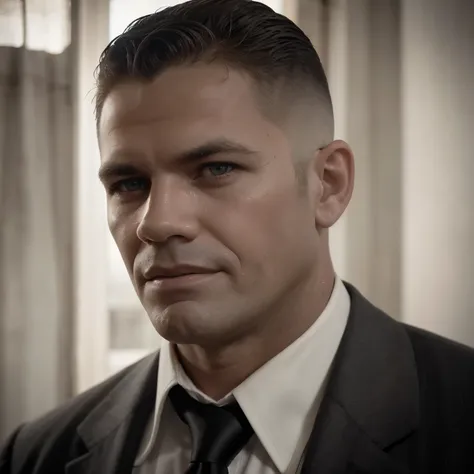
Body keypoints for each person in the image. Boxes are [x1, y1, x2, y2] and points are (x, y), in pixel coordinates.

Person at [2, 0, 474, 473]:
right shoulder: (37, 455)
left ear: (327, 184)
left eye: (215, 169)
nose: (156, 222)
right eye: (129, 184)